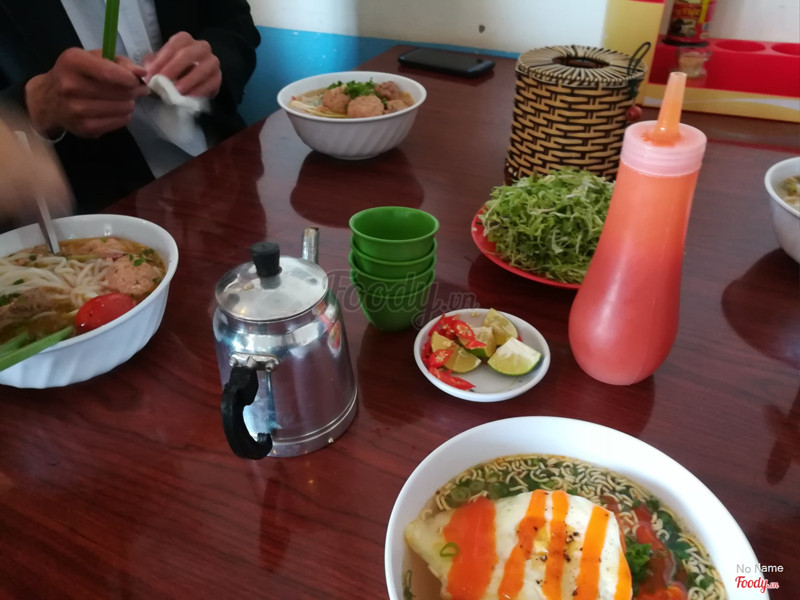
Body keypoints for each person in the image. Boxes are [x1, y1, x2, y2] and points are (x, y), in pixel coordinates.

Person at [0, 0, 260, 214]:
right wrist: (37, 104)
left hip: (229, 173)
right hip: (96, 219)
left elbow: (234, 23)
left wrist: (215, 61)